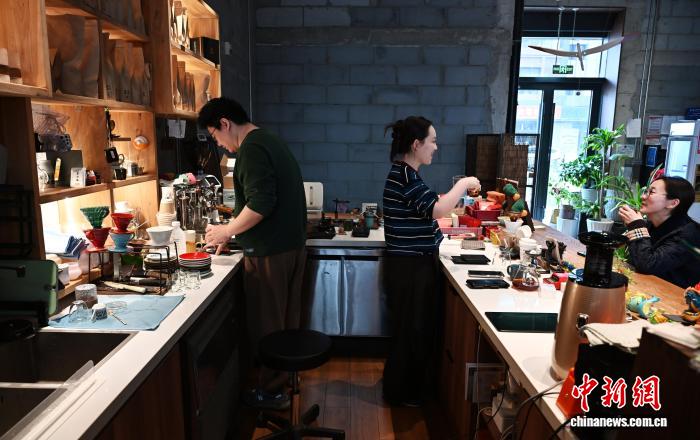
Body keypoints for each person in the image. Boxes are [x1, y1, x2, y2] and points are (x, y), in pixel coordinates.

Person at [199, 97, 307, 410]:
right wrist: (233, 232)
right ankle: (286, 381)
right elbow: (259, 201)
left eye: (215, 136)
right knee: (285, 323)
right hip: (289, 247)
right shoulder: (268, 140)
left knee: (269, 326)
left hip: (270, 253)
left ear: (225, 123)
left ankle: (272, 393)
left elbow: (260, 203)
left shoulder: (252, 148)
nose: (219, 145)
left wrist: (226, 231)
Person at [381, 116, 480, 407]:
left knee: (410, 330)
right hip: (410, 269)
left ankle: (402, 390)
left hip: (410, 266)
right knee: (410, 332)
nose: (436, 147)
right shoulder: (406, 175)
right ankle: (401, 394)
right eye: (433, 141)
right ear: (416, 144)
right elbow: (436, 209)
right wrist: (463, 183)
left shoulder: (405, 174)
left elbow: (427, 208)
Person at [618, 175, 700, 288]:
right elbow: (635, 261)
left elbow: (647, 265)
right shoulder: (651, 225)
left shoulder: (689, 234)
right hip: (649, 288)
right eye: (645, 191)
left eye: (651, 192)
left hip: (676, 295)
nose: (642, 196)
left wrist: (636, 225)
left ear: (672, 203)